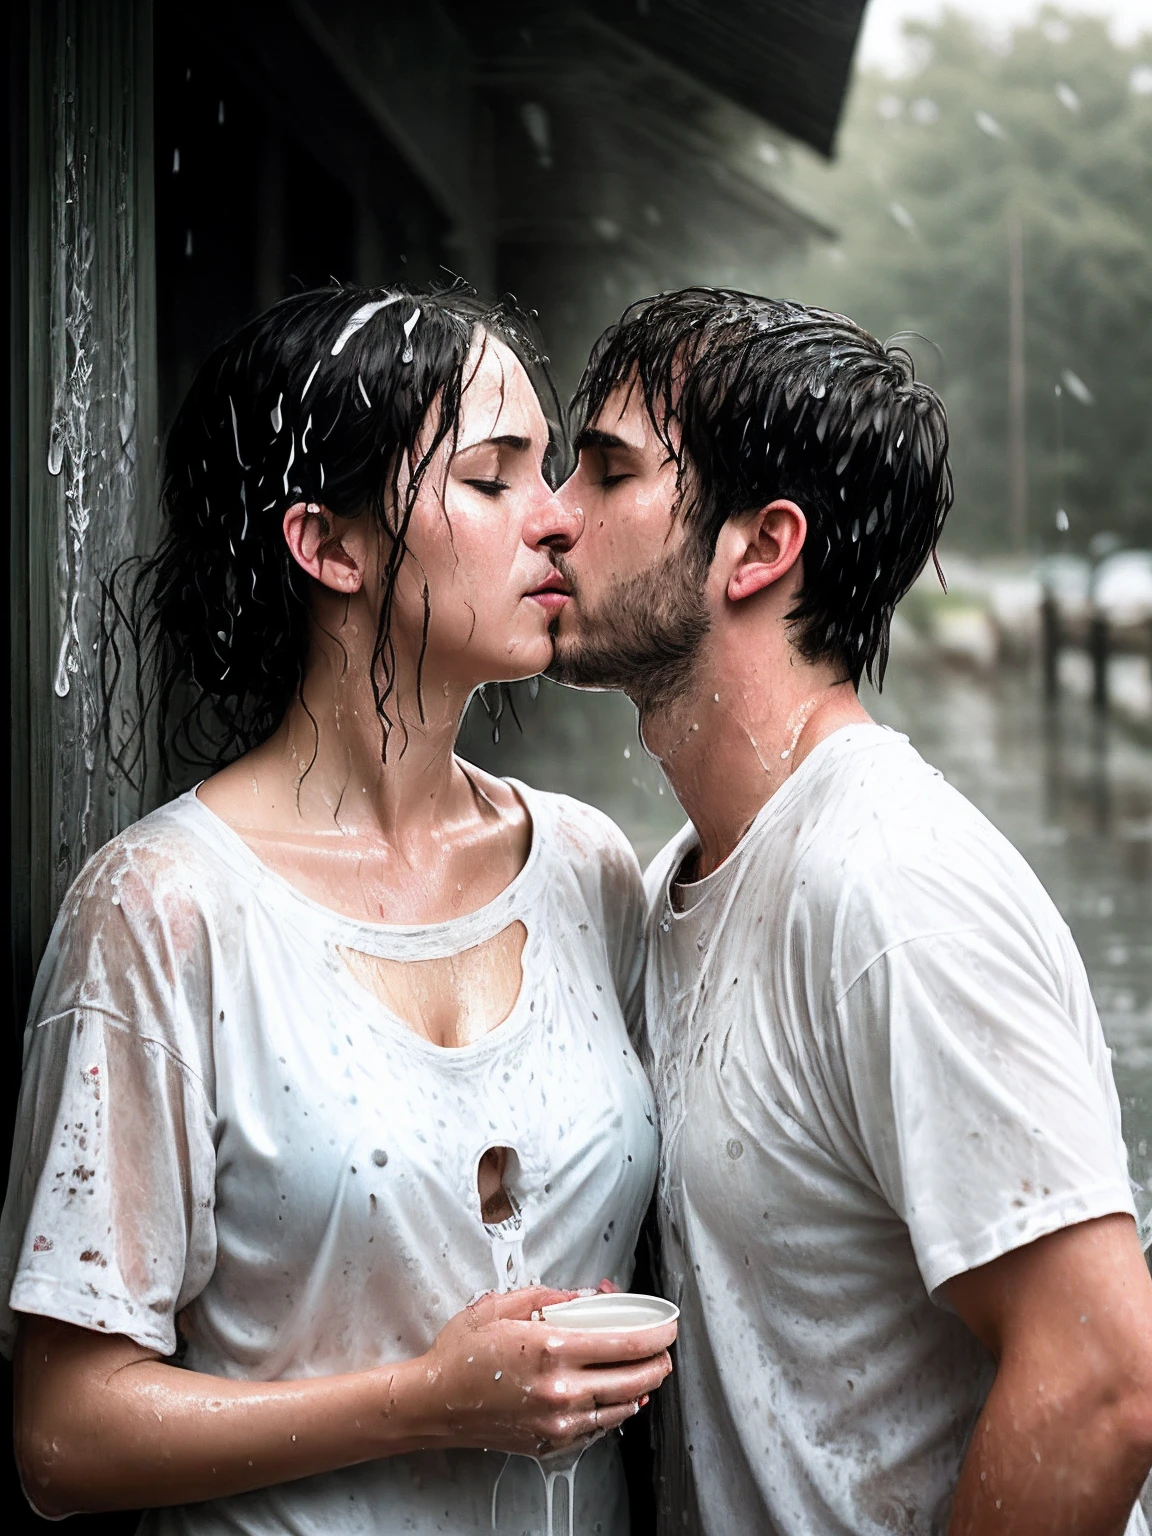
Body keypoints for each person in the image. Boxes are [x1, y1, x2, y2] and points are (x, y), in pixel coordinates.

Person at [0, 283, 675, 1535]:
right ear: (331, 546)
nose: (560, 520)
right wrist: (425, 1401)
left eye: (559, 470)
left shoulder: (589, 869)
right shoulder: (164, 912)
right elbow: (64, 1434)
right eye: (495, 479)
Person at [547, 287, 1152, 1535]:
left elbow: (1103, 1382)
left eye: (606, 474)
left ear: (758, 550)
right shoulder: (679, 880)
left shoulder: (895, 892)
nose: (552, 518)